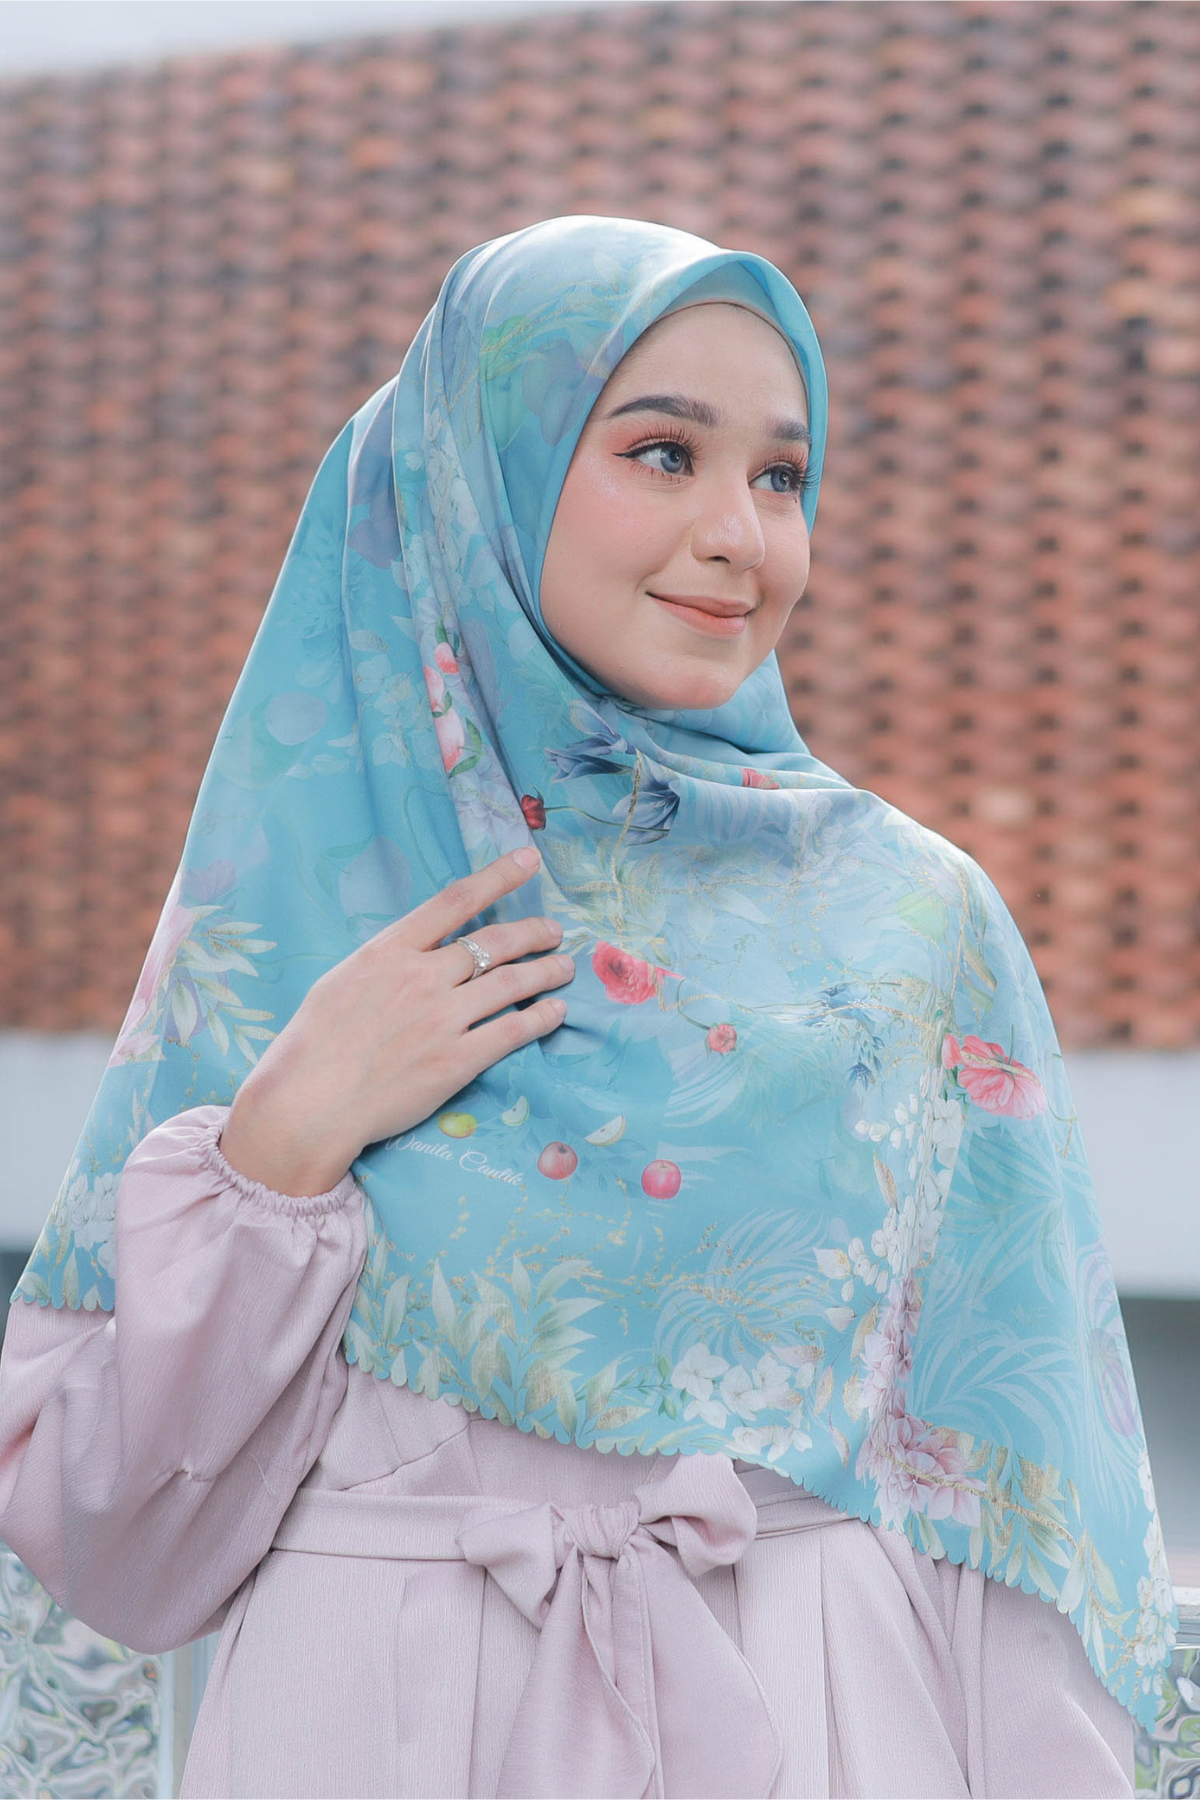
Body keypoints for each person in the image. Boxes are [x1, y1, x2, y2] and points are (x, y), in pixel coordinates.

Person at [0, 216, 1173, 1799]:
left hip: (821, 1728)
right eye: (662, 454)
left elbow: (1026, 1511)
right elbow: (116, 1555)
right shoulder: (301, 912)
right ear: (478, 474)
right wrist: (278, 1151)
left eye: (782, 477)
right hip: (372, 1738)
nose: (741, 537)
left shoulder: (916, 926)